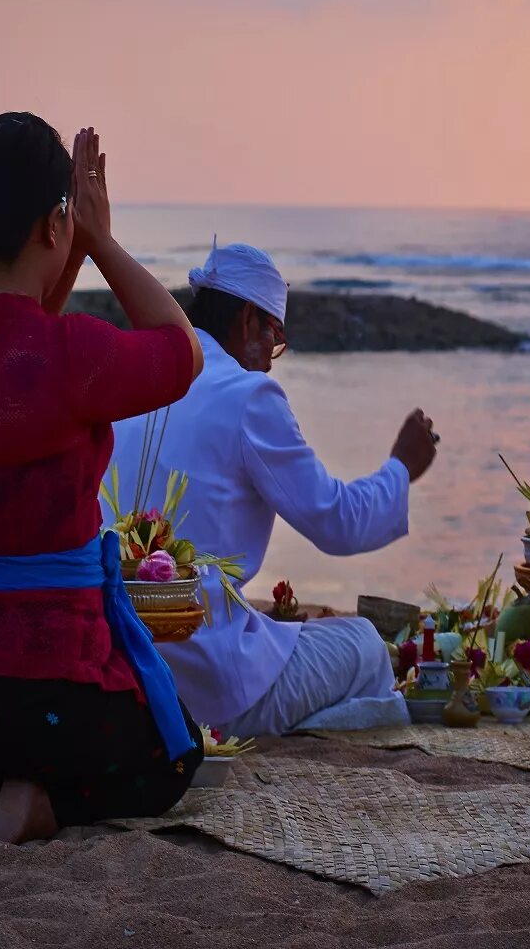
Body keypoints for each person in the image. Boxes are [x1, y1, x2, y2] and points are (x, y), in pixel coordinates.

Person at [0, 114, 206, 844]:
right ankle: (34, 801)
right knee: (177, 758)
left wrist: (61, 234)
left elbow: (15, 341)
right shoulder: (74, 355)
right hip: (47, 697)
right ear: (53, 222)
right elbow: (182, 349)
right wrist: (99, 241)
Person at [107, 242, 437, 738]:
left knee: (283, 631)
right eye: (275, 338)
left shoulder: (133, 375)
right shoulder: (248, 396)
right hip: (205, 681)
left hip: (120, 669)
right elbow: (338, 522)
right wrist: (400, 469)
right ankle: (291, 743)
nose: (271, 362)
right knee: (365, 644)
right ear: (247, 321)